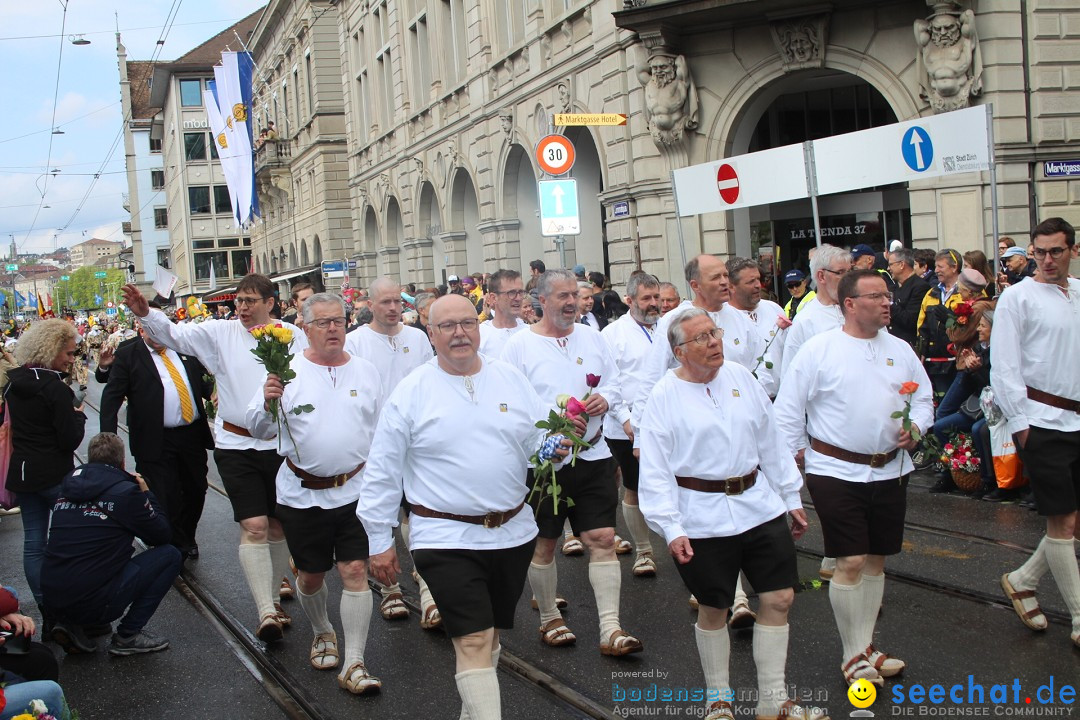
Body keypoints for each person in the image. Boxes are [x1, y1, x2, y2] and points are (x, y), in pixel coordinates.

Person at [360, 294, 570, 720]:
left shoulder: (510, 378)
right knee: (473, 640)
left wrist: (557, 449)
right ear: (431, 334)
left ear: (478, 326)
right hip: (445, 536)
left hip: (513, 534)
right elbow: (383, 470)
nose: (460, 333)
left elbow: (534, 447)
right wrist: (379, 539)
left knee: (489, 639)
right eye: (447, 326)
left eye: (467, 323)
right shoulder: (412, 391)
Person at [638, 308, 819, 720]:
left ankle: (774, 700)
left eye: (714, 333)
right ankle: (719, 698)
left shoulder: (739, 377)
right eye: (701, 338)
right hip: (701, 516)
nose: (714, 342)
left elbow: (769, 437)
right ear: (680, 352)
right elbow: (656, 469)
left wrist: (791, 496)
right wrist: (670, 527)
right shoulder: (664, 396)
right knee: (715, 606)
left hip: (758, 505)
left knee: (780, 596)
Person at [122, 275, 306, 643]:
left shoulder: (292, 335)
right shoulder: (220, 333)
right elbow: (177, 336)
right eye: (239, 300)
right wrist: (147, 314)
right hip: (236, 446)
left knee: (276, 526)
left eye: (250, 300)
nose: (242, 306)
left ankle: (274, 598)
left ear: (271, 302)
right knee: (253, 525)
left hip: (281, 446)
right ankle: (265, 609)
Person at [775, 269, 933, 686]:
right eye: (876, 296)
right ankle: (852, 656)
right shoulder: (819, 350)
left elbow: (924, 399)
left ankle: (867, 646)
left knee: (877, 560)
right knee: (851, 560)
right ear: (849, 304)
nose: (887, 303)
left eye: (888, 295)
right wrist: (794, 464)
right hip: (834, 470)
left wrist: (916, 428)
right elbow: (788, 410)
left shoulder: (899, 348)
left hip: (891, 469)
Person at [500, 270, 642, 657]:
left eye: (574, 296)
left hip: (593, 454)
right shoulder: (518, 346)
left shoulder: (592, 337)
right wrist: (547, 439)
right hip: (545, 465)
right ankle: (549, 618)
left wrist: (606, 400)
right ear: (540, 301)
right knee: (544, 544)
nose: (571, 303)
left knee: (601, 539)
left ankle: (610, 628)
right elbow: (509, 404)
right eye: (561, 296)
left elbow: (614, 381)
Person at [247, 293, 384, 694]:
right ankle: (323, 629)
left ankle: (355, 662)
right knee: (310, 577)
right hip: (302, 495)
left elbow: (381, 432)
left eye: (338, 321)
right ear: (304, 329)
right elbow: (259, 429)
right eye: (322, 323)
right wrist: (267, 403)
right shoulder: (283, 371)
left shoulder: (366, 371)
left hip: (356, 491)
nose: (332, 329)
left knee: (356, 571)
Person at [992, 217, 1080, 651]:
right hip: (1042, 422)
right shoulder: (1017, 298)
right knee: (1061, 520)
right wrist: (1022, 426)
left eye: (1056, 251)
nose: (1047, 260)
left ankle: (1023, 580)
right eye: (1039, 251)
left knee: (1073, 520)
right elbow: (1004, 366)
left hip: (1078, 421)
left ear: (1072, 251)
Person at [344, 277, 437, 626]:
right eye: (385, 302)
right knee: (382, 518)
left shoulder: (417, 338)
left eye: (397, 301)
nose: (393, 308)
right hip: (375, 447)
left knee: (420, 516)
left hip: (418, 444)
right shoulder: (355, 342)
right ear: (370, 304)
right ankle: (390, 590)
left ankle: (429, 595)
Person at [41, 432, 182, 656]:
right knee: (170, 556)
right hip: (93, 598)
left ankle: (72, 623)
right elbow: (162, 535)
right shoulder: (126, 492)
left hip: (52, 598)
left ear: (89, 459)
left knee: (85, 561)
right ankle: (128, 635)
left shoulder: (64, 491)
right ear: (123, 462)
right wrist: (146, 493)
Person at [98, 322, 214, 559]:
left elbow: (205, 385)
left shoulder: (186, 350)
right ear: (141, 330)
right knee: (164, 494)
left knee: (196, 488)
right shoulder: (129, 354)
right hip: (154, 439)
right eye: (150, 330)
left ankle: (185, 534)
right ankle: (173, 546)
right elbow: (112, 396)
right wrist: (108, 439)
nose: (157, 335)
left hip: (190, 435)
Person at [4, 319, 86, 617]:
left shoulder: (14, 384)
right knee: (71, 541)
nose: (71, 359)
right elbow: (69, 440)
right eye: (68, 353)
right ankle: (70, 608)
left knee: (34, 544)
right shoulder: (54, 388)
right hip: (54, 474)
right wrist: (78, 417)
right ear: (52, 350)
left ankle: (45, 606)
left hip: (24, 475)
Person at [601, 273, 662, 578]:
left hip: (667, 424)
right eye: (646, 298)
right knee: (635, 487)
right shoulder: (613, 335)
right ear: (629, 300)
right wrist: (626, 420)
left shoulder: (668, 328)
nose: (653, 304)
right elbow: (609, 385)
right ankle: (644, 550)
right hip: (625, 427)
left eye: (656, 298)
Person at [782, 244, 852, 376]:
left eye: (850, 271)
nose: (848, 278)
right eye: (841, 272)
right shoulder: (805, 320)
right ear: (821, 276)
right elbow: (791, 376)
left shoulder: (862, 310)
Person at [726, 257, 788, 400]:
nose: (758, 285)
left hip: (780, 400)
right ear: (731, 286)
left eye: (758, 279)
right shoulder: (723, 320)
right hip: (744, 401)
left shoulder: (774, 309)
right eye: (750, 282)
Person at [917, 248, 965, 398]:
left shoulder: (967, 290)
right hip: (935, 361)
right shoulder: (931, 293)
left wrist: (950, 319)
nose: (936, 270)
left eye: (940, 267)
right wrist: (922, 351)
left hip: (959, 361)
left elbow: (973, 324)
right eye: (935, 266)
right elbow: (921, 326)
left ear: (954, 267)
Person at [887, 248, 931, 348]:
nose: (888, 269)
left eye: (890, 264)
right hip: (891, 343)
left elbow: (911, 320)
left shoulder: (920, 287)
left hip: (908, 345)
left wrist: (890, 304)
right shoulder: (892, 288)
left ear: (902, 264)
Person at [478, 269, 527, 358]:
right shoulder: (480, 335)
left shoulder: (531, 333)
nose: (518, 298)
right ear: (493, 298)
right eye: (511, 293)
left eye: (521, 292)